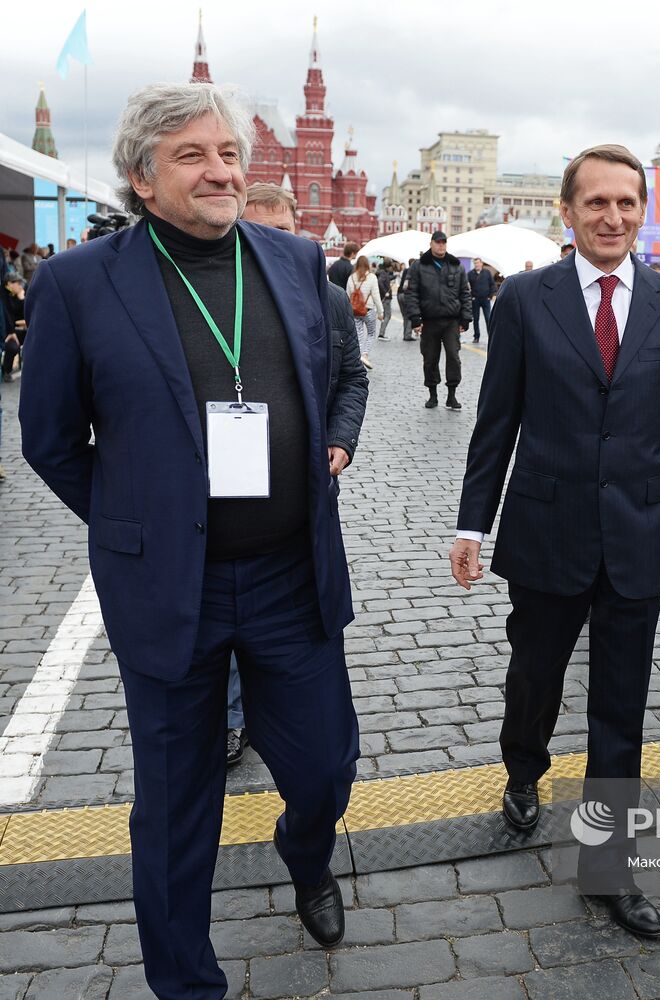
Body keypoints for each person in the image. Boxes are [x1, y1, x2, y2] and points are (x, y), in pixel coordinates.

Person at [19, 83, 362, 998]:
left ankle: (306, 851)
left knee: (327, 766)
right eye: (193, 156)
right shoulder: (77, 283)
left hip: (293, 575)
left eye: (228, 153)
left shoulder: (293, 258)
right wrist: (138, 524)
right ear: (142, 176)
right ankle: (186, 984)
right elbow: (49, 439)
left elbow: (336, 375)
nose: (222, 170)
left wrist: (331, 440)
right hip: (174, 590)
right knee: (174, 813)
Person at [450, 143, 660, 938]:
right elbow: (498, 421)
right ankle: (523, 767)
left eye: (627, 203)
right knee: (537, 674)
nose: (613, 217)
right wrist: (471, 522)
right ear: (568, 210)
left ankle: (608, 867)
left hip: (635, 532)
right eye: (596, 202)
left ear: (642, 211)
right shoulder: (526, 299)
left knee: (620, 706)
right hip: (546, 527)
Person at [232, 181, 368, 770]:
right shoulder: (219, 293)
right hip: (224, 505)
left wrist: (340, 439)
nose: (269, 242)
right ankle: (234, 719)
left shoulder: (325, 293)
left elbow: (354, 379)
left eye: (281, 232)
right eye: (255, 229)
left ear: (298, 230)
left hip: (303, 500)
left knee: (297, 619)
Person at [401, 230, 471, 410]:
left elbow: (465, 293)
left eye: (444, 243)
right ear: (431, 243)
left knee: (454, 357)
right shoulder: (419, 266)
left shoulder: (456, 266)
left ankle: (452, 395)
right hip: (429, 321)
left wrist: (466, 318)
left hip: (451, 321)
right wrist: (415, 319)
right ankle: (432, 394)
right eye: (438, 242)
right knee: (430, 359)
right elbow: (411, 293)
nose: (441, 245)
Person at [346, 255, 383, 369]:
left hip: (355, 311)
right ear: (368, 265)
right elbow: (376, 296)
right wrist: (381, 312)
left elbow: (347, 295)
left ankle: (360, 354)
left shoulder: (351, 277)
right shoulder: (372, 277)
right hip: (369, 310)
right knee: (371, 333)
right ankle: (365, 354)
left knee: (359, 334)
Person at [2, 273, 25, 383]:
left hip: (16, 329)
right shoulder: (4, 295)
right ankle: (7, 371)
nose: (20, 285)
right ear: (9, 283)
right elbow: (7, 315)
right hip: (6, 331)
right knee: (12, 347)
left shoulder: (17, 295)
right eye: (17, 283)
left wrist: (22, 299)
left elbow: (25, 315)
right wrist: (12, 331)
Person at [468, 256, 495, 344]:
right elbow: (467, 287)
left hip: (485, 299)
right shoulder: (470, 274)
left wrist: (490, 296)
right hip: (475, 299)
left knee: (488, 318)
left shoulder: (487, 273)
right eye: (475, 263)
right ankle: (476, 337)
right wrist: (471, 296)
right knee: (476, 319)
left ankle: (490, 336)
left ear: (481, 264)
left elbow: (492, 285)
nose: (477, 265)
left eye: (478, 263)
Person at [397, 257, 417, 341]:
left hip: (399, 294)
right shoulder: (414, 272)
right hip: (406, 295)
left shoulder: (405, 270)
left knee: (405, 316)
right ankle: (407, 335)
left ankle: (405, 334)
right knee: (409, 316)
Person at [375, 259, 394, 339]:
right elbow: (380, 282)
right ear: (388, 267)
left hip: (384, 297)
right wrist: (385, 292)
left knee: (386, 315)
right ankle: (381, 334)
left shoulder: (382, 272)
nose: (391, 269)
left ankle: (381, 333)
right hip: (386, 298)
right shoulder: (383, 273)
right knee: (387, 315)